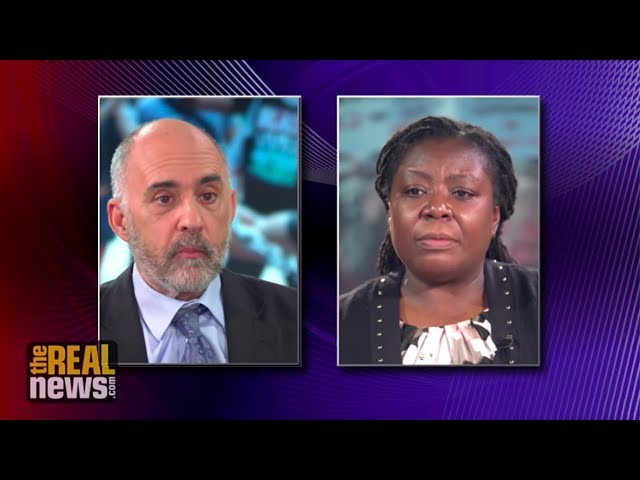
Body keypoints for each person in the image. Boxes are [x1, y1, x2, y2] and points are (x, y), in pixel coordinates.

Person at [339, 116, 538, 366]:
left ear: (494, 217)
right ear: (390, 212)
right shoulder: (338, 323)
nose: (436, 208)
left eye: (462, 193)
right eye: (414, 191)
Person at [100, 118, 298, 364]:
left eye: (208, 196)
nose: (192, 221)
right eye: (164, 199)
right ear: (121, 221)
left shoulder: (298, 318)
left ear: (231, 209)